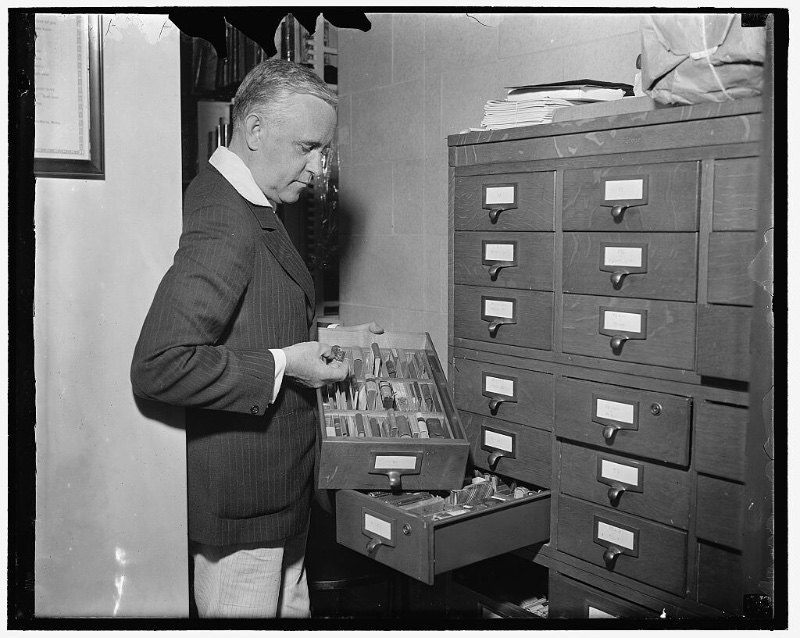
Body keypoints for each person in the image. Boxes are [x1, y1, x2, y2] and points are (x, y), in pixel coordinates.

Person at [130, 59, 381, 618]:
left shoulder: (246, 204)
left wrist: (334, 337)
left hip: (274, 500)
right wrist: (288, 364)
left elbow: (256, 321)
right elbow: (161, 364)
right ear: (256, 132)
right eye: (308, 148)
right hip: (245, 511)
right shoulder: (226, 218)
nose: (319, 168)